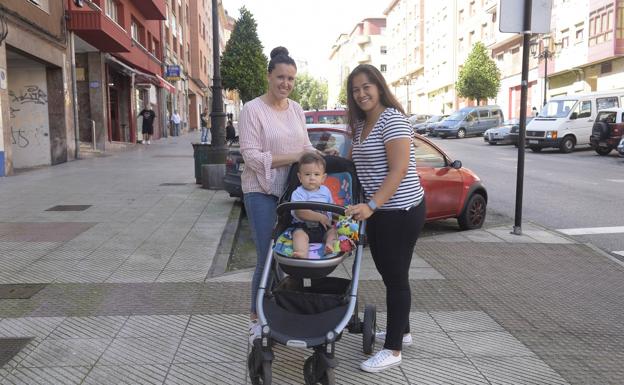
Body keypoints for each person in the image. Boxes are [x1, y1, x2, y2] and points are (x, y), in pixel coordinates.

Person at [344, 64, 426, 373]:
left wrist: (372, 205)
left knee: (395, 278)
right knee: (391, 273)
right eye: (355, 89)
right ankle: (401, 332)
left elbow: (399, 169)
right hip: (379, 210)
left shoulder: (392, 119)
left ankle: (393, 350)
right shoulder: (363, 123)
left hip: (400, 210)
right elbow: (355, 163)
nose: (361, 93)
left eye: (367, 86)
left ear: (379, 86)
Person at [239, 46, 316, 344]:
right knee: (266, 256)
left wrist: (320, 155)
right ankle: (256, 318)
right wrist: (293, 155)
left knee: (286, 256)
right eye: (281, 77)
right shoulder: (252, 110)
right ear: (269, 76)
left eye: (291, 79)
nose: (286, 83)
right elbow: (252, 157)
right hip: (260, 191)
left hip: (291, 194)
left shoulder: (296, 109)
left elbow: (306, 146)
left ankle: (277, 308)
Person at [290, 152, 338, 258]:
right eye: (307, 174)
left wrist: (339, 219)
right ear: (300, 177)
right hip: (304, 228)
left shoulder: (326, 191)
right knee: (298, 235)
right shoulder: (298, 193)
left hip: (324, 228)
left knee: (333, 233)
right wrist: (320, 217)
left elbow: (332, 209)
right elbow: (300, 212)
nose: (312, 178)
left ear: (323, 178)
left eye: (316, 174)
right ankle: (302, 252)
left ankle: (329, 246)